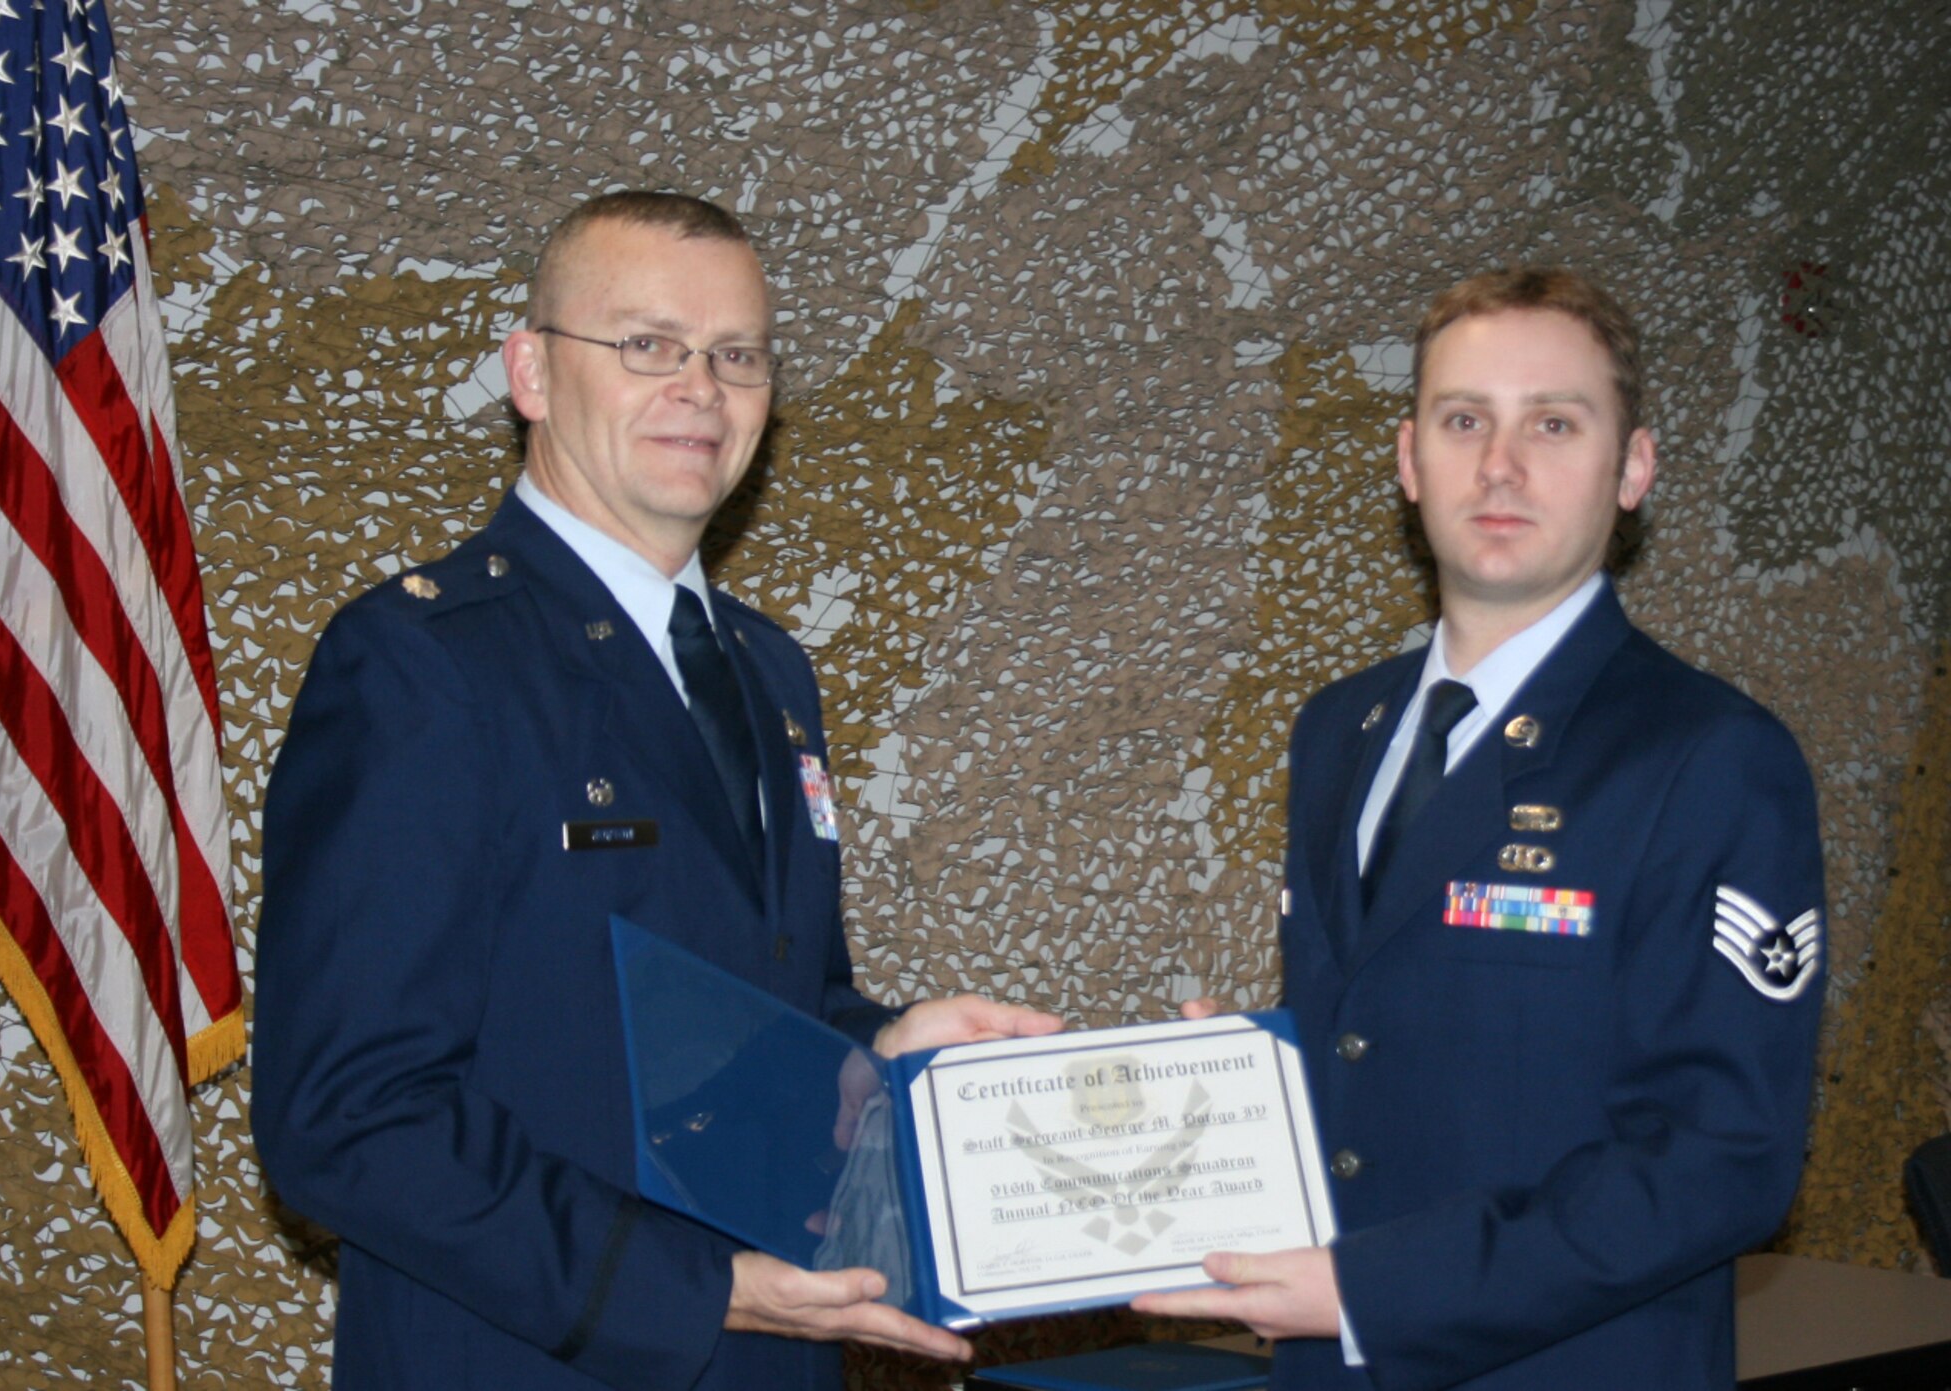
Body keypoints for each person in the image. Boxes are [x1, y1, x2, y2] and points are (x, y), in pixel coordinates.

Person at [252, 191, 1058, 1391]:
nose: (701, 387)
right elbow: (347, 1116)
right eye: (647, 345)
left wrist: (878, 1050)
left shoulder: (766, 668)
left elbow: (756, 998)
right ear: (530, 372)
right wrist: (693, 1292)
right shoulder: (421, 664)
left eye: (736, 355)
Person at [1136, 268, 1825, 1389]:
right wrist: (1239, 1091)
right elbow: (1377, 1042)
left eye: (1552, 423)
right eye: (1464, 421)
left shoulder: (1707, 758)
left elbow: (1722, 1159)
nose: (1498, 466)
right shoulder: (1337, 729)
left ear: (1632, 466)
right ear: (1409, 460)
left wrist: (1374, 1292)